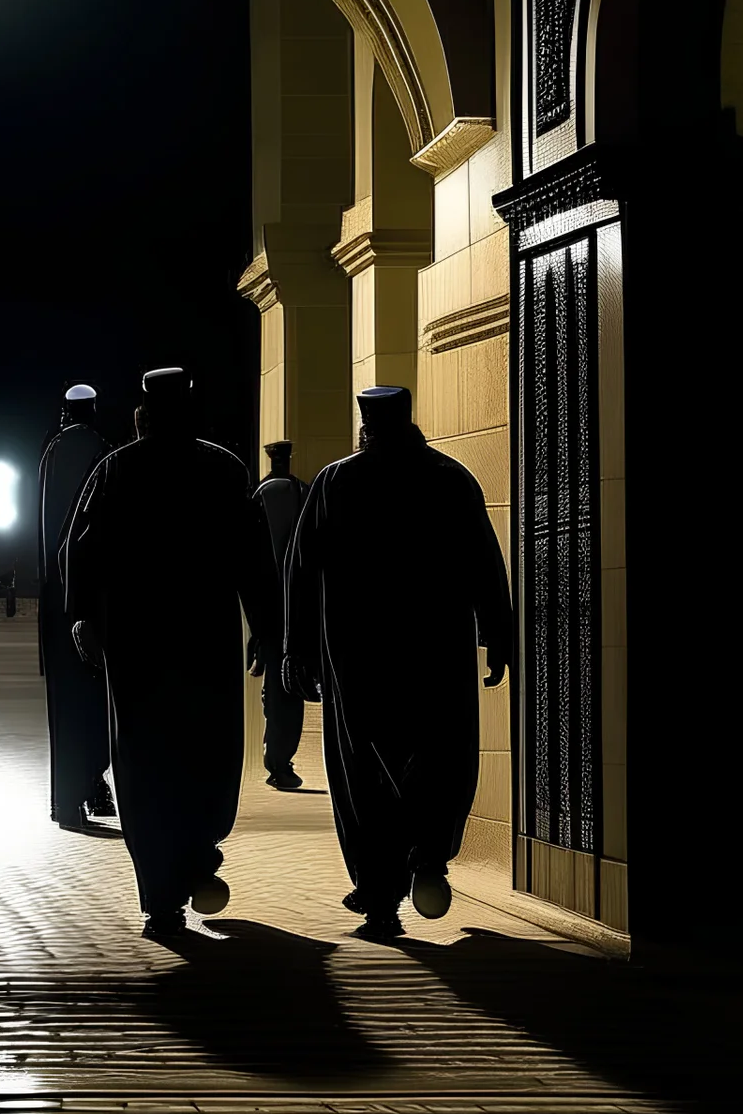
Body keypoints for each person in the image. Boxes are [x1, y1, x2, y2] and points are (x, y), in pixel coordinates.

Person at [280, 384, 513, 941]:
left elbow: (302, 572)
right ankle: (429, 857)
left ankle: (380, 895)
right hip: (435, 654)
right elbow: (485, 561)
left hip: (358, 660)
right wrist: (498, 635)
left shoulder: (337, 482)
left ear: (366, 427)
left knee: (364, 772)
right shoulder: (449, 478)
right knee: (439, 756)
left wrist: (297, 651)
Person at [63, 367, 277, 939]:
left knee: (142, 762)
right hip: (205, 643)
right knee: (206, 753)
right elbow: (254, 559)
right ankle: (199, 853)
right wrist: (266, 626)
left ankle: (161, 893)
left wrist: (82, 616)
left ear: (143, 415)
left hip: (137, 647)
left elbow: (80, 551)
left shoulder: (116, 470)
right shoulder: (222, 469)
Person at [38, 383, 114, 828]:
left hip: (55, 598)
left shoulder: (51, 453)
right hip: (94, 597)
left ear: (66, 412)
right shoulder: (105, 452)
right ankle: (89, 782)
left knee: (62, 704)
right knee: (96, 700)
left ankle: (65, 798)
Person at [253, 440, 310, 791]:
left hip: (264, 604)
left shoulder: (257, 494)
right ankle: (280, 759)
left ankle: (275, 756)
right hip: (295, 606)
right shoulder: (302, 492)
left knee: (274, 688)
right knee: (289, 690)